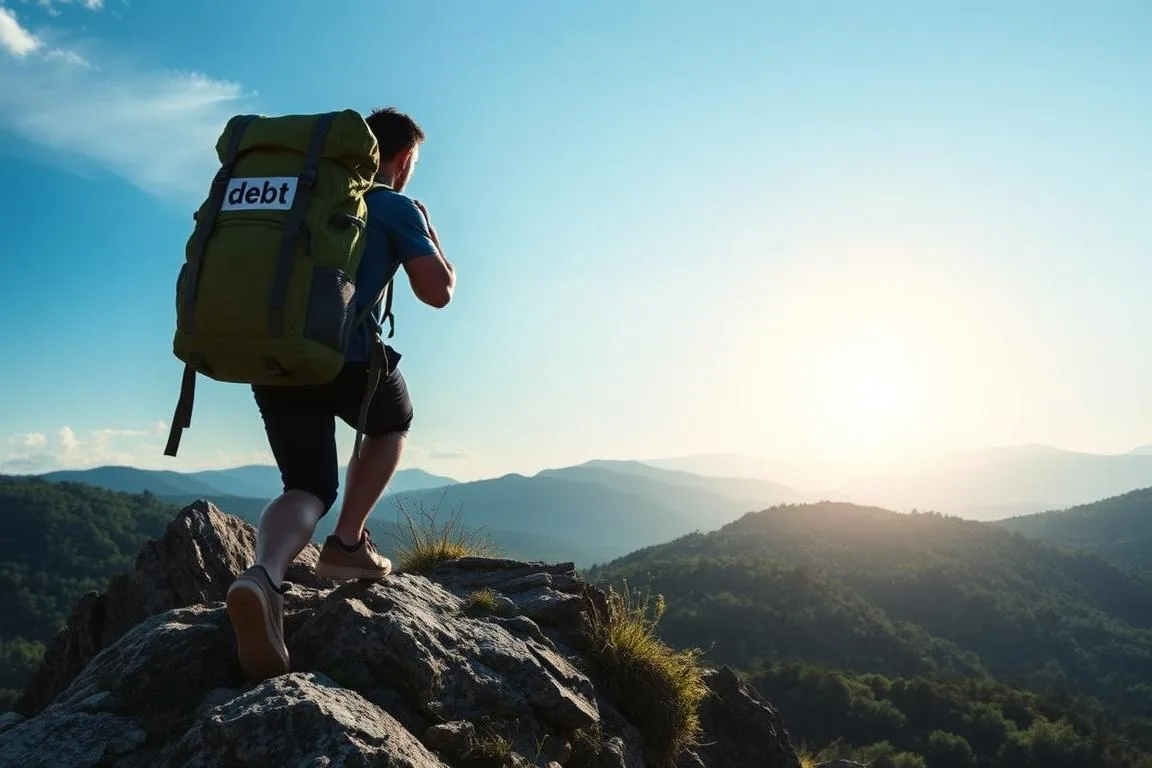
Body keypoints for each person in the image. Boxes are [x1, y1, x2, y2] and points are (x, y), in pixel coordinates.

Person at [224, 107, 456, 680]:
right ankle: (347, 544)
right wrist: (426, 227)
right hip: (348, 360)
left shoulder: (297, 196)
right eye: (413, 165)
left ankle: (263, 577)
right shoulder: (392, 203)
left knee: (305, 484)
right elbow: (438, 292)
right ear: (401, 159)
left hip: (275, 356)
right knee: (392, 419)